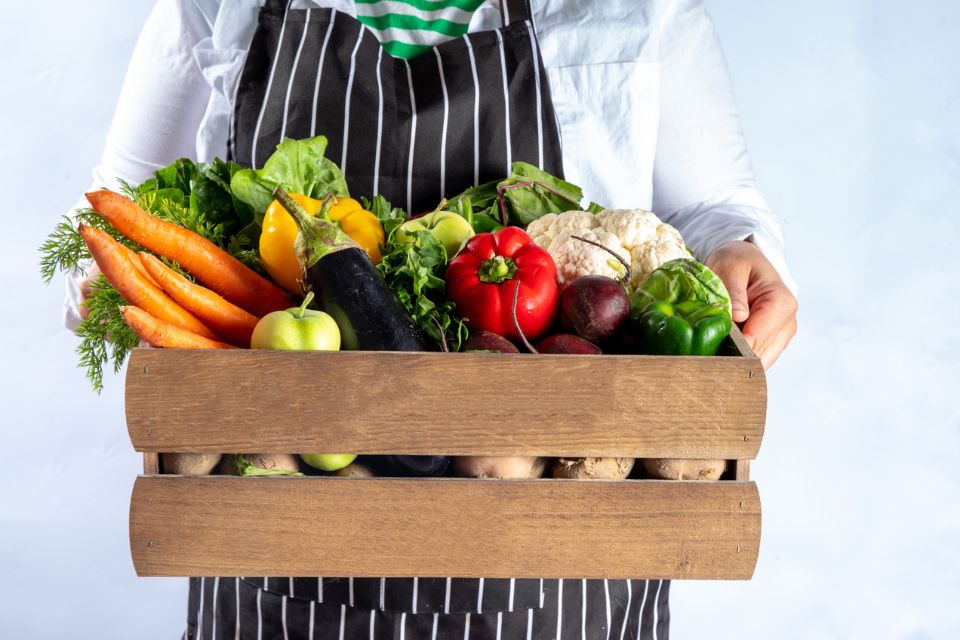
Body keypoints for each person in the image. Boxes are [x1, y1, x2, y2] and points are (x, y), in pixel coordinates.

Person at [64, 0, 798, 637]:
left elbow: (715, 206)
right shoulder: (215, 4)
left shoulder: (640, 9)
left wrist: (742, 251)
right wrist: (115, 275)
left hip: (563, 574)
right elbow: (115, 210)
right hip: (282, 563)